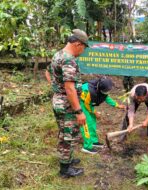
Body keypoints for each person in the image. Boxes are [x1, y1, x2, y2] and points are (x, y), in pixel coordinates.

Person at [49, 29, 88, 178]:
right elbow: (70, 88)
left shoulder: (58, 54)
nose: (83, 51)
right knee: (67, 136)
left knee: (66, 133)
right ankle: (65, 170)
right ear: (78, 44)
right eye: (84, 47)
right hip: (66, 103)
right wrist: (79, 111)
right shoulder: (68, 59)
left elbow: (50, 74)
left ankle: (68, 159)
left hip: (60, 100)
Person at [80, 77, 125, 154]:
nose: (108, 92)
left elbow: (106, 97)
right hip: (82, 103)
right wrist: (95, 112)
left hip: (89, 103)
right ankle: (87, 147)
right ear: (100, 89)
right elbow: (87, 105)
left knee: (92, 122)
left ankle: (94, 141)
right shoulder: (88, 91)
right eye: (106, 91)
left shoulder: (101, 89)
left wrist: (117, 105)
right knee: (86, 124)